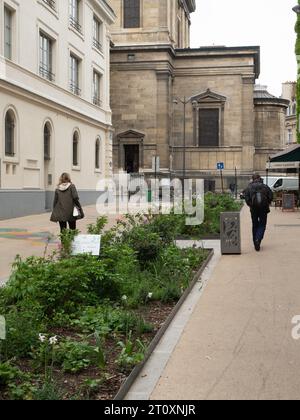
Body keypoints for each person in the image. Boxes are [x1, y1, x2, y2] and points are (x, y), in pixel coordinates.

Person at [244, 174, 273, 252]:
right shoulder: (265, 186)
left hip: (253, 208)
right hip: (263, 208)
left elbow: (246, 197)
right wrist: (267, 202)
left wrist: (250, 205)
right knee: (262, 224)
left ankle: (255, 242)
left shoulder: (249, 187)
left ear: (252, 179)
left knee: (255, 224)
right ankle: (258, 239)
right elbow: (271, 196)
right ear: (259, 178)